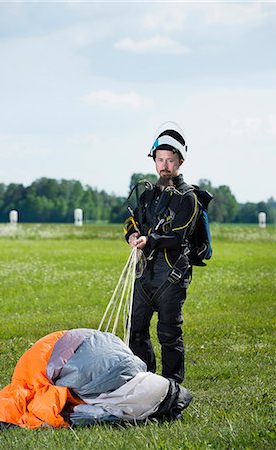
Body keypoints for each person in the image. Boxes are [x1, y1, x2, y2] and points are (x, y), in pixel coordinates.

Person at [123, 122, 200, 383]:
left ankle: (172, 390)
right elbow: (131, 220)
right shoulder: (147, 194)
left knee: (168, 333)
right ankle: (145, 383)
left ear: (180, 162)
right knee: (135, 330)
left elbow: (177, 236)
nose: (164, 165)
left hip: (172, 276)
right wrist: (132, 235)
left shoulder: (188, 197)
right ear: (154, 161)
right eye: (160, 159)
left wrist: (150, 240)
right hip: (144, 275)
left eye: (170, 160)